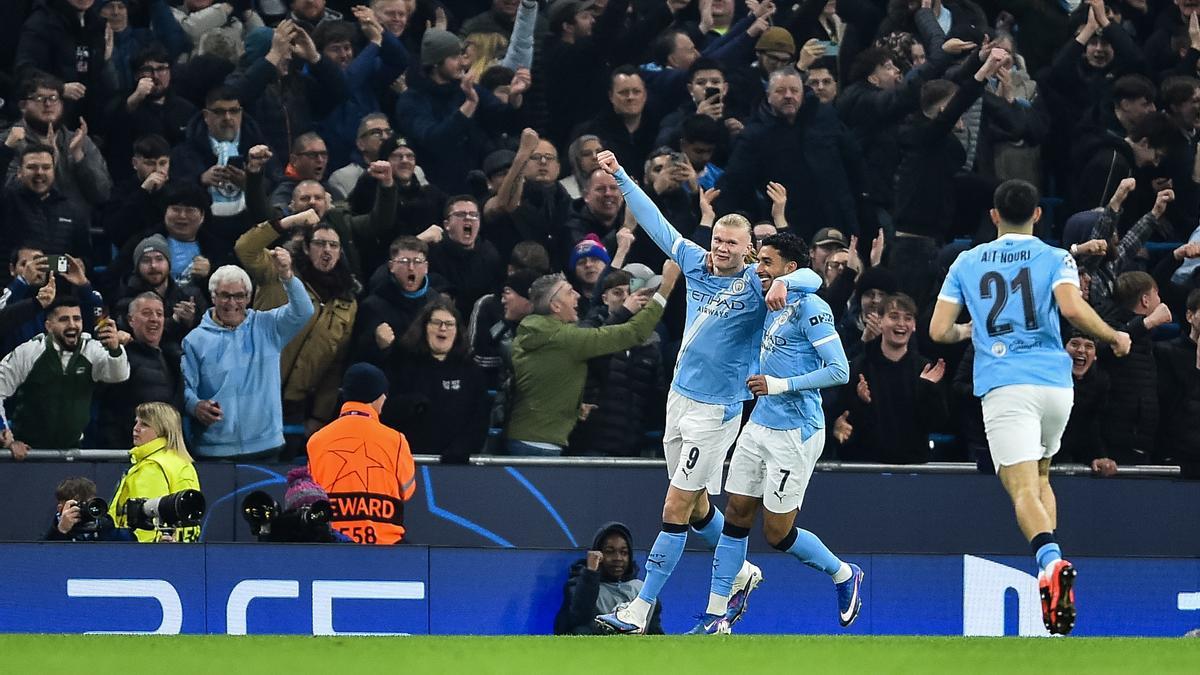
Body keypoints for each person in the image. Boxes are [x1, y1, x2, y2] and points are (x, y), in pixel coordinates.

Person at [593, 150, 822, 635]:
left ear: (749, 251)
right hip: (679, 400)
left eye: (732, 243)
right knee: (696, 508)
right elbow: (657, 226)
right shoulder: (695, 264)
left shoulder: (759, 285)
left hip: (717, 412)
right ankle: (741, 570)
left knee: (675, 505)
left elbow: (814, 275)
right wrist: (621, 176)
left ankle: (640, 609)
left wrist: (787, 282)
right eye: (717, 238)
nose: (721, 247)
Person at [928, 179, 1133, 636]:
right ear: (1038, 214)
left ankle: (1052, 562)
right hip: (1056, 387)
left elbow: (939, 331)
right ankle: (1049, 578)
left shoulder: (967, 260)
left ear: (994, 216)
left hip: (1007, 386)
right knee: (1041, 476)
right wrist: (1115, 336)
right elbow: (1071, 308)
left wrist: (972, 330)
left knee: (1019, 490)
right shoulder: (1056, 255)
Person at [691, 232, 859, 634]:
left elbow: (840, 371)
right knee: (735, 514)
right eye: (759, 261)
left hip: (796, 431)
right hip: (759, 425)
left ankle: (843, 574)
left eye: (768, 263)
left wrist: (779, 385)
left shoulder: (811, 308)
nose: (759, 270)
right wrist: (779, 280)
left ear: (789, 268)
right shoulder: (769, 296)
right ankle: (716, 616)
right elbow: (801, 276)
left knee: (777, 533)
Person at [506, 267, 674, 455]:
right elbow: (633, 333)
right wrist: (664, 290)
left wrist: (575, 409)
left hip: (528, 437)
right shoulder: (565, 339)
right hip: (540, 445)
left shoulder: (535, 332)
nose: (577, 295)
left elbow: (545, 382)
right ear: (556, 306)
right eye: (570, 292)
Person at [234, 210, 359, 442]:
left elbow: (334, 366)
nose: (327, 251)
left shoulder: (347, 302)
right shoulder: (280, 272)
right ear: (305, 247)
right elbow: (245, 248)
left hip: (297, 405)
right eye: (320, 243)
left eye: (333, 245)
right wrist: (289, 222)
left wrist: (319, 416)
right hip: (253, 390)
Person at [182, 250, 315, 460]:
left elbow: (304, 311)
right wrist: (195, 406)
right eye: (225, 295)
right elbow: (184, 387)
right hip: (214, 451)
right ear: (213, 296)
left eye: (239, 296)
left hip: (267, 447)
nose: (232, 303)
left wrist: (287, 276)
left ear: (249, 297)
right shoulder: (194, 340)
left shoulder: (268, 326)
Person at [0, 296, 128, 457]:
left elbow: (118, 376)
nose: (72, 325)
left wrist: (116, 349)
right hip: (27, 453)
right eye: (64, 320)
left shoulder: (91, 349)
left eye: (77, 319)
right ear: (49, 326)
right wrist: (8, 439)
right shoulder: (29, 352)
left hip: (71, 452)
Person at [308, 362, 417, 545]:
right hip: (386, 545)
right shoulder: (396, 440)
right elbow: (407, 491)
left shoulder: (316, 440)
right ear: (378, 396)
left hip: (331, 544)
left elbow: (310, 496)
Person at [381, 301, 489, 464]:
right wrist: (408, 405)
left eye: (449, 324)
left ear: (457, 330)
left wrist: (462, 448)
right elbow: (385, 409)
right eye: (437, 323)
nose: (443, 328)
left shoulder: (471, 370)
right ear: (425, 327)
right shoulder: (403, 363)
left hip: (454, 465)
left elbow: (479, 418)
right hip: (409, 460)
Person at [108, 402, 201, 543]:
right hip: (184, 548)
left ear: (163, 429)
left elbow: (145, 523)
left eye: (144, 424)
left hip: (142, 554)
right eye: (136, 422)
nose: (136, 428)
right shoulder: (183, 462)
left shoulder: (152, 467)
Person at [553, 521, 665, 635]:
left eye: (624, 552)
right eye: (609, 552)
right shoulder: (581, 584)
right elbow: (579, 618)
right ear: (598, 554)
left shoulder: (641, 589)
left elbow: (654, 632)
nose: (618, 558)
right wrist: (591, 573)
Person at [44, 476, 129, 542]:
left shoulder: (112, 534)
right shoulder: (49, 539)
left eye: (88, 504)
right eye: (79, 505)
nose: (84, 510)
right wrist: (61, 531)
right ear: (61, 509)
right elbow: (44, 559)